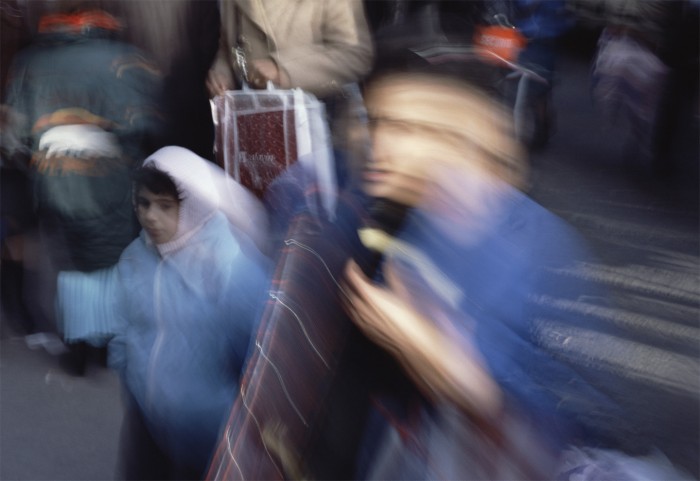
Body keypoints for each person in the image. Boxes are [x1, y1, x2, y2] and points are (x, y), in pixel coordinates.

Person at [340, 51, 642, 479]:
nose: (378, 143)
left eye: (408, 128)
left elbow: (547, 425)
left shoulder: (525, 246)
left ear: (462, 138)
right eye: (376, 121)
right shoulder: (421, 220)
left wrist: (424, 345)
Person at [57, 146, 270, 479]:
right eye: (143, 204)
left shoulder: (231, 270)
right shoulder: (136, 256)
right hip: (146, 421)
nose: (151, 217)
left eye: (165, 206)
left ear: (195, 208)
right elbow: (126, 322)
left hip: (209, 435)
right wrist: (131, 373)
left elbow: (257, 365)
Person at [3, 0, 166, 372]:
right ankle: (103, 345)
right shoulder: (126, 60)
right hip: (108, 174)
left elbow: (14, 134)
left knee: (72, 260)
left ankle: (77, 345)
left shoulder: (29, 62)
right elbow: (144, 124)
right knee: (107, 255)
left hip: (53, 177)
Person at [206, 0, 373, 103]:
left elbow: (356, 54)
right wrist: (223, 73)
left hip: (325, 124)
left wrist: (281, 70)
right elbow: (230, 48)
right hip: (258, 123)